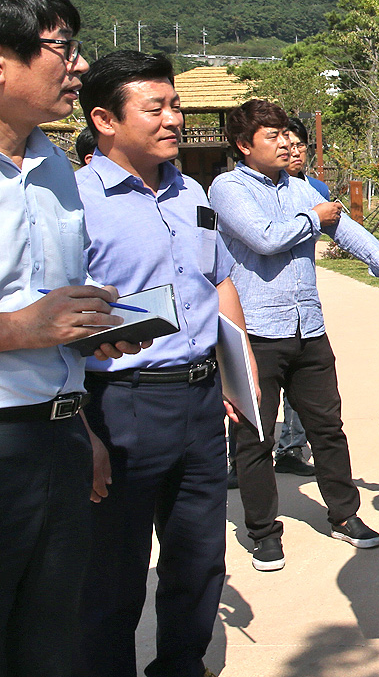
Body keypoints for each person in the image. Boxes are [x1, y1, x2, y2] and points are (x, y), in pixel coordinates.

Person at [74, 50, 256, 677]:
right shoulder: (75, 203)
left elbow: (218, 280)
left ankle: (181, 664)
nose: (174, 118)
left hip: (201, 400)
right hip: (121, 403)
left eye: (176, 104)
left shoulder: (193, 192)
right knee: (112, 570)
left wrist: (239, 372)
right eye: (156, 108)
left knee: (199, 555)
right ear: (104, 118)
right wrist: (83, 428)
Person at [0, 0, 139, 677]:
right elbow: (27, 320)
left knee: (50, 640)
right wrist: (22, 329)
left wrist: (80, 422)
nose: (80, 64)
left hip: (56, 437)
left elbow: (50, 311)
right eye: (63, 46)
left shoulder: (56, 165)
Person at [209, 99, 379, 572]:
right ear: (244, 145)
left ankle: (345, 515)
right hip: (256, 334)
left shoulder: (302, 187)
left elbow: (346, 229)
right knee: (254, 437)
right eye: (272, 136)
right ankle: (264, 533)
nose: (286, 141)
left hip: (307, 328)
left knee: (327, 427)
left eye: (286, 133)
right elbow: (264, 238)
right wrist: (314, 217)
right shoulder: (228, 188)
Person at [269, 115, 328, 478]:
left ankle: (292, 445)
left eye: (299, 145)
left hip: (303, 300)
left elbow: (341, 228)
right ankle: (240, 459)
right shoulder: (247, 187)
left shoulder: (314, 188)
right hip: (262, 307)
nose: (293, 151)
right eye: (285, 144)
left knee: (301, 383)